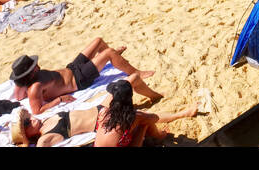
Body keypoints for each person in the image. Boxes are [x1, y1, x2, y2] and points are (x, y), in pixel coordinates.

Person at [10, 40, 161, 114]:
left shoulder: (32, 78)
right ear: (30, 73)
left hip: (72, 68)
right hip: (79, 79)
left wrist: (20, 78)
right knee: (108, 53)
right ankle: (136, 71)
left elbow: (17, 95)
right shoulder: (34, 88)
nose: (37, 65)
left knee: (98, 41)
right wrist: (59, 100)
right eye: (33, 65)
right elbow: (37, 110)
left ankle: (114, 58)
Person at [93, 79, 201, 147]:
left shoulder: (103, 112)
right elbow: (155, 118)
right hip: (130, 130)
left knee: (141, 121)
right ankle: (163, 134)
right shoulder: (135, 117)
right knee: (145, 122)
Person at [10, 106, 98, 147]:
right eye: (26, 123)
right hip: (99, 122)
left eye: (27, 118)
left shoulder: (44, 120)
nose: (30, 119)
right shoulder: (43, 139)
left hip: (98, 108)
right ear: (27, 135)